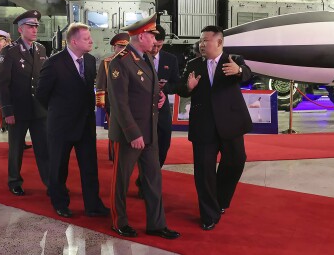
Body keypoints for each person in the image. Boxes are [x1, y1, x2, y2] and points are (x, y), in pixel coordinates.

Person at [107, 14, 180, 240]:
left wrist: (158, 98)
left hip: (150, 132)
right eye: (152, 35)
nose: (155, 40)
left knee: (153, 179)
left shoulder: (147, 59)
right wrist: (133, 133)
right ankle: (119, 221)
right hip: (131, 134)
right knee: (121, 179)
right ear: (141, 36)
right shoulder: (121, 61)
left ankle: (157, 224)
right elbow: (119, 103)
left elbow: (149, 89)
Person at [177, 25, 253, 231]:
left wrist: (239, 71)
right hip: (204, 126)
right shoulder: (193, 63)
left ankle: (220, 199)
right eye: (200, 41)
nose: (202, 44)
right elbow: (181, 87)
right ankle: (208, 214)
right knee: (204, 171)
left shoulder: (233, 60)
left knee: (236, 161)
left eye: (206, 41)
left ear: (219, 42)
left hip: (230, 124)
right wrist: (188, 87)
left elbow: (247, 74)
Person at [36, 23, 109, 218]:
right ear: (74, 41)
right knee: (59, 168)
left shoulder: (91, 60)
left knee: (90, 167)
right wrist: (59, 113)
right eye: (87, 39)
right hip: (61, 126)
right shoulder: (54, 63)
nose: (91, 41)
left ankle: (93, 205)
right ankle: (60, 203)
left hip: (85, 124)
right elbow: (42, 95)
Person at [0, 10, 50, 196]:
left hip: (39, 110)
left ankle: (50, 182)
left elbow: (43, 80)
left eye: (36, 26)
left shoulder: (41, 50)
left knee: (43, 148)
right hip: (18, 111)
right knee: (16, 148)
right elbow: (2, 84)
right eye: (30, 26)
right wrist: (7, 111)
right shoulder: (9, 51)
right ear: (21, 29)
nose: (34, 29)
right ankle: (14, 181)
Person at [136, 25, 180, 198]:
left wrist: (165, 87)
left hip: (162, 112)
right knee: (144, 149)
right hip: (142, 112)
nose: (155, 49)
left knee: (163, 146)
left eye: (159, 46)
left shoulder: (170, 59)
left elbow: (177, 84)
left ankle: (145, 179)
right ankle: (146, 182)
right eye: (153, 44)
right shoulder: (137, 58)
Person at [95, 32, 130, 161]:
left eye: (125, 46)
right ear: (113, 47)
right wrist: (101, 102)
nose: (122, 49)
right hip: (112, 102)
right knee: (114, 129)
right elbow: (100, 82)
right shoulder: (106, 62)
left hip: (130, 102)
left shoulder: (132, 62)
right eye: (119, 46)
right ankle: (114, 154)